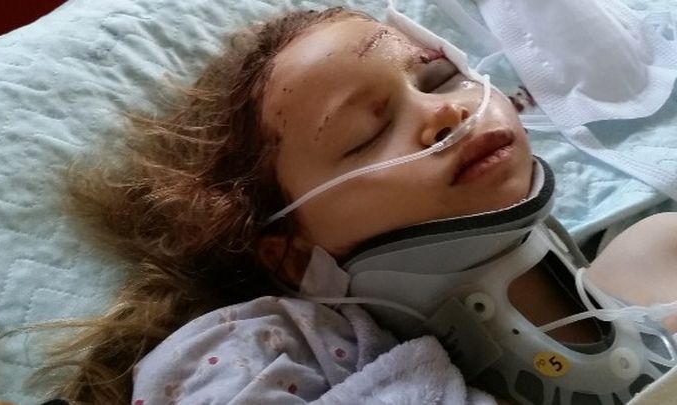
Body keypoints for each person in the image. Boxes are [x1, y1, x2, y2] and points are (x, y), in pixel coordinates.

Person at [43, 5, 677, 405]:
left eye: (438, 77)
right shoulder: (261, 347)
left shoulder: (654, 253)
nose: (446, 111)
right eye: (367, 133)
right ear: (294, 256)